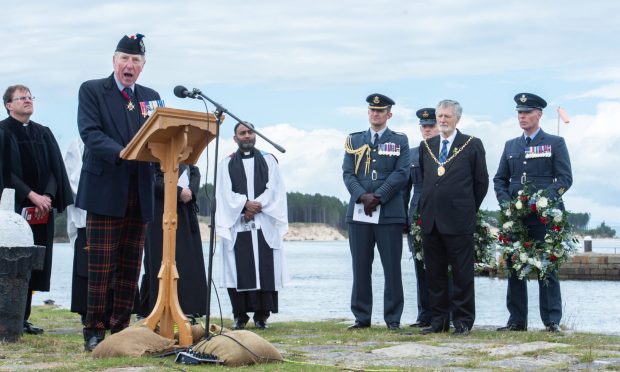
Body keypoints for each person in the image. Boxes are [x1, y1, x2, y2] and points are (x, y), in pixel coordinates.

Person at [75, 33, 161, 351]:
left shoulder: (151, 97)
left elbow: (159, 138)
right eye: (124, 59)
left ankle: (121, 329)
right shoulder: (93, 90)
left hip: (140, 192)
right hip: (105, 190)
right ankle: (94, 329)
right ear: (114, 61)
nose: (129, 65)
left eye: (135, 60)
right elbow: (90, 133)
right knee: (101, 265)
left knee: (130, 267)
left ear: (142, 66)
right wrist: (124, 152)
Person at [494, 93, 572, 333]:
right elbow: (499, 180)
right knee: (515, 266)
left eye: (527, 112)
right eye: (519, 113)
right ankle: (517, 321)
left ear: (539, 114)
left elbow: (565, 179)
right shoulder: (511, 146)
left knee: (546, 268)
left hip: (544, 217)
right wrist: (507, 204)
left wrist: (540, 201)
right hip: (516, 218)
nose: (522, 116)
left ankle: (551, 321)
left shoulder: (555, 143)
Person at [1, 84, 73, 335]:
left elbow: (55, 169)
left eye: (30, 97)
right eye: (22, 98)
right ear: (9, 105)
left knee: (33, 262)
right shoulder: (2, 131)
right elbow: (5, 173)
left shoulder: (43, 133)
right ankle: (8, 317)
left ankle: (24, 317)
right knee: (11, 263)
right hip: (13, 209)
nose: (28, 100)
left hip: (41, 210)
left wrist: (48, 196)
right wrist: (31, 195)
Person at [418, 99, 488, 336]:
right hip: (432, 220)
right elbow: (423, 181)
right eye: (439, 116)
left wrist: (466, 209)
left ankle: (463, 321)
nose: (442, 120)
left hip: (459, 221)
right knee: (434, 274)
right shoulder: (426, 146)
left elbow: (481, 183)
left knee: (461, 274)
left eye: (447, 116)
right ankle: (438, 320)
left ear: (457, 118)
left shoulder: (471, 144)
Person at [342, 94, 409, 330]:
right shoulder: (354, 140)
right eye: (372, 110)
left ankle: (393, 319)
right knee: (360, 267)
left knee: (392, 268)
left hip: (389, 212)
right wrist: (362, 196)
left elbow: (402, 173)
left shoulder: (399, 140)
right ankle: (362, 317)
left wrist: (379, 195)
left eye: (380, 111)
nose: (375, 114)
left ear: (389, 114)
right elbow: (348, 174)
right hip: (359, 212)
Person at [215, 121, 288, 330]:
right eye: (242, 133)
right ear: (235, 138)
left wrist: (256, 206)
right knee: (237, 269)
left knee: (265, 267)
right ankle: (240, 316)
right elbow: (223, 193)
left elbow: (275, 189)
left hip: (264, 222)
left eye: (250, 132)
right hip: (238, 223)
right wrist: (243, 205)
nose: (247, 136)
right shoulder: (226, 164)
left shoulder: (269, 160)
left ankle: (262, 316)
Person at [139, 163, 207, 319]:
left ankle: (189, 307)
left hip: (185, 210)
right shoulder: (154, 149)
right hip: (160, 211)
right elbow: (151, 177)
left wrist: (190, 191)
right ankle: (155, 308)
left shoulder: (185, 147)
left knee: (187, 259)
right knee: (158, 258)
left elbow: (194, 171)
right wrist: (177, 192)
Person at [403, 108, 439, 328]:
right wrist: (403, 218)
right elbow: (404, 190)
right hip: (416, 212)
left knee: (445, 266)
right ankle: (424, 314)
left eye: (431, 125)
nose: (427, 129)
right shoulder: (412, 154)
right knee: (420, 265)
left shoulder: (447, 151)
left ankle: (448, 314)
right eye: (424, 126)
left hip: (441, 211)